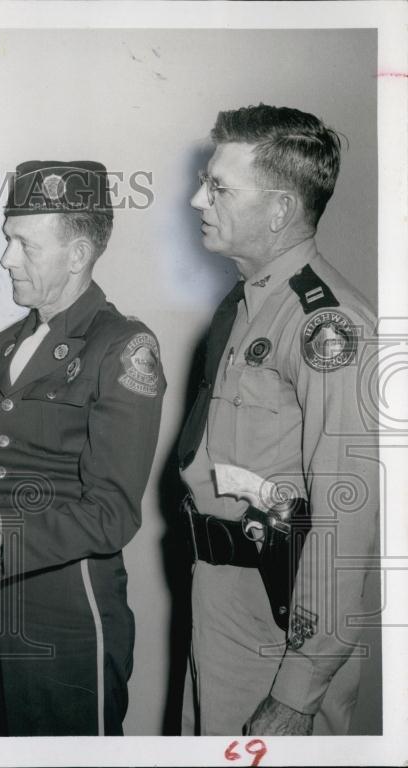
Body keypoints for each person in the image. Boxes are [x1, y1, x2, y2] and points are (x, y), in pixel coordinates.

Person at [0, 161, 166, 735]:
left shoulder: (121, 347)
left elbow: (112, 515)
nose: (6, 259)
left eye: (24, 244)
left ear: (77, 254)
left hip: (68, 611)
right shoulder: (6, 345)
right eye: (7, 241)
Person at [178, 104, 378, 735]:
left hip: (282, 609)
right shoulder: (246, 303)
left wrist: (298, 692)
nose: (196, 200)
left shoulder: (326, 324)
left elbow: (348, 516)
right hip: (223, 591)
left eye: (218, 188)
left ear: (280, 210)